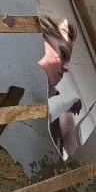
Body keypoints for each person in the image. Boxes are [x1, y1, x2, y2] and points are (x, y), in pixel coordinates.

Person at [38, 15, 81, 159]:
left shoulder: (64, 109)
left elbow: (72, 154)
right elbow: (32, 114)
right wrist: (68, 100)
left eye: (67, 60)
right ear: (42, 42)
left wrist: (69, 132)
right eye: (63, 53)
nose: (66, 67)